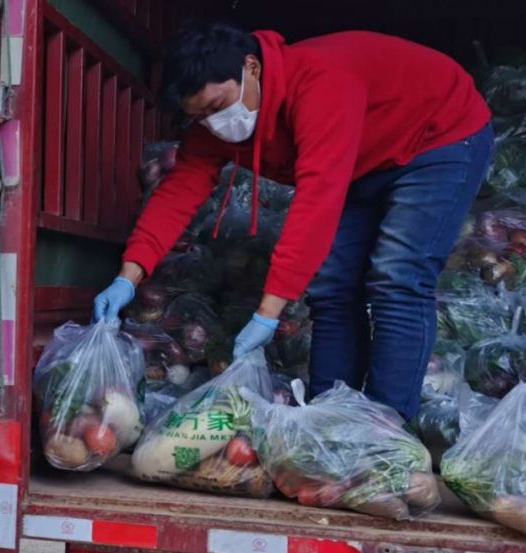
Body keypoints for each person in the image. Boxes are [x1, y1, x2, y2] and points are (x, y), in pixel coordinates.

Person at [94, 22, 493, 420]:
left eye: (217, 107)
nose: (213, 124)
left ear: (251, 67)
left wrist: (267, 314)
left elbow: (315, 203)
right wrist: (129, 276)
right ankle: (327, 420)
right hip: (362, 159)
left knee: (397, 278)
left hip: (438, 135)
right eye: (199, 117)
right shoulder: (213, 127)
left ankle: (385, 432)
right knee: (332, 288)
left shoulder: (321, 82)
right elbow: (179, 192)